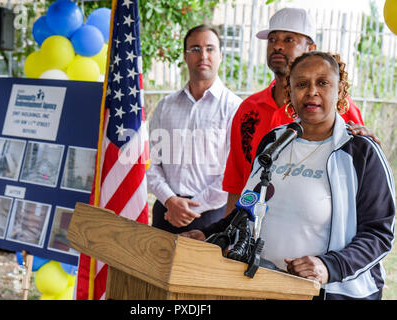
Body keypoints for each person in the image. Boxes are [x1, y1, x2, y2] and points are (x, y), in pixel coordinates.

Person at [182, 51, 395, 300]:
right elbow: (249, 207)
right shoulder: (274, 141)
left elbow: (379, 234)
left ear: (340, 90)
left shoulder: (360, 152)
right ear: (290, 94)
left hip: (326, 293)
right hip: (260, 284)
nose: (312, 91)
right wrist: (208, 234)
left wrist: (328, 267)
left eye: (323, 82)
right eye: (301, 84)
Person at [222, 7, 379, 215]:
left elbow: (362, 178)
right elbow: (236, 183)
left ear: (310, 48)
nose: (277, 46)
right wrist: (228, 241)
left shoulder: (337, 107)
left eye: (288, 40)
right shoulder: (248, 109)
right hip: (250, 233)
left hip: (317, 234)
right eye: (272, 39)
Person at [146, 25, 243, 233]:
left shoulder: (235, 108)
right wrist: (170, 200)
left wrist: (191, 207)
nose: (203, 55)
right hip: (165, 211)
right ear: (185, 56)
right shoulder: (165, 106)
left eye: (210, 48)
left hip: (209, 218)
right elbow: (150, 162)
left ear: (220, 55)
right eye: (195, 49)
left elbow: (233, 173)